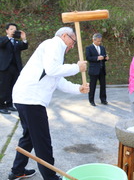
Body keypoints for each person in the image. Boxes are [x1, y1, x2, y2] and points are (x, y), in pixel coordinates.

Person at [8, 27, 89, 180]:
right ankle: (50, 177)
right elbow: (52, 70)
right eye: (73, 42)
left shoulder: (54, 51)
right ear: (64, 36)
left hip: (25, 98)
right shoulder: (54, 44)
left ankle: (17, 170)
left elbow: (57, 79)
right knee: (42, 140)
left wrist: (79, 88)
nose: (72, 46)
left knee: (30, 137)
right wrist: (77, 67)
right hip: (31, 99)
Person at [0, 23, 28, 114]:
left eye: (15, 29)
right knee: (3, 87)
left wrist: (24, 39)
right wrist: (9, 37)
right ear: (7, 30)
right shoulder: (3, 39)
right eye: (11, 29)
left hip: (15, 68)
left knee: (13, 87)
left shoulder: (16, 42)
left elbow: (24, 46)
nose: (13, 31)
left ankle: (9, 104)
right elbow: (2, 44)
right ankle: (1, 106)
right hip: (4, 67)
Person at [86, 33, 109, 106]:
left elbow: (104, 56)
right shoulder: (89, 48)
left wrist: (105, 58)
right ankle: (91, 100)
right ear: (94, 40)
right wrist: (97, 58)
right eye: (98, 41)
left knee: (103, 85)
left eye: (100, 41)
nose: (99, 42)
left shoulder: (102, 48)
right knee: (92, 86)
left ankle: (103, 99)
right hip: (94, 70)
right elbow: (88, 58)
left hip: (102, 69)